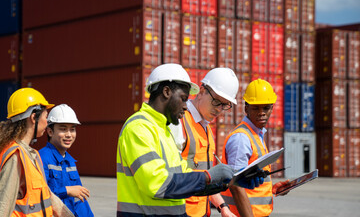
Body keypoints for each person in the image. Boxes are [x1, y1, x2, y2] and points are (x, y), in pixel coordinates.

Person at [116, 63, 263, 217]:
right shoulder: (139, 128)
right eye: (183, 99)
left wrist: (230, 182)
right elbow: (158, 184)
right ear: (166, 92)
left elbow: (183, 177)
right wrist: (209, 176)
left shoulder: (163, 130)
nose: (186, 107)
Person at [169, 68, 239, 217]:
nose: (219, 109)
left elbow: (206, 178)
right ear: (201, 91)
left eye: (225, 105)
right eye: (216, 102)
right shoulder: (179, 123)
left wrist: (223, 207)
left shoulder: (206, 129)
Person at [0, 87, 74, 217]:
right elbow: (3, 206)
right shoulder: (15, 156)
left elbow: (48, 195)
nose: (47, 122)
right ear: (34, 117)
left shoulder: (32, 154)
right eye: (46, 116)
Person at [221, 79, 290, 217]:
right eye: (256, 108)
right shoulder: (241, 138)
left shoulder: (256, 134)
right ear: (246, 108)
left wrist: (272, 189)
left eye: (266, 108)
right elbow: (236, 186)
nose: (262, 113)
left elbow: (250, 181)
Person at [39, 104, 94, 217]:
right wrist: (66, 190)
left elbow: (79, 199)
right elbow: (39, 194)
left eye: (72, 129)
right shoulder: (41, 158)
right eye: (63, 129)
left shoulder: (70, 162)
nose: (69, 135)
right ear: (50, 132)